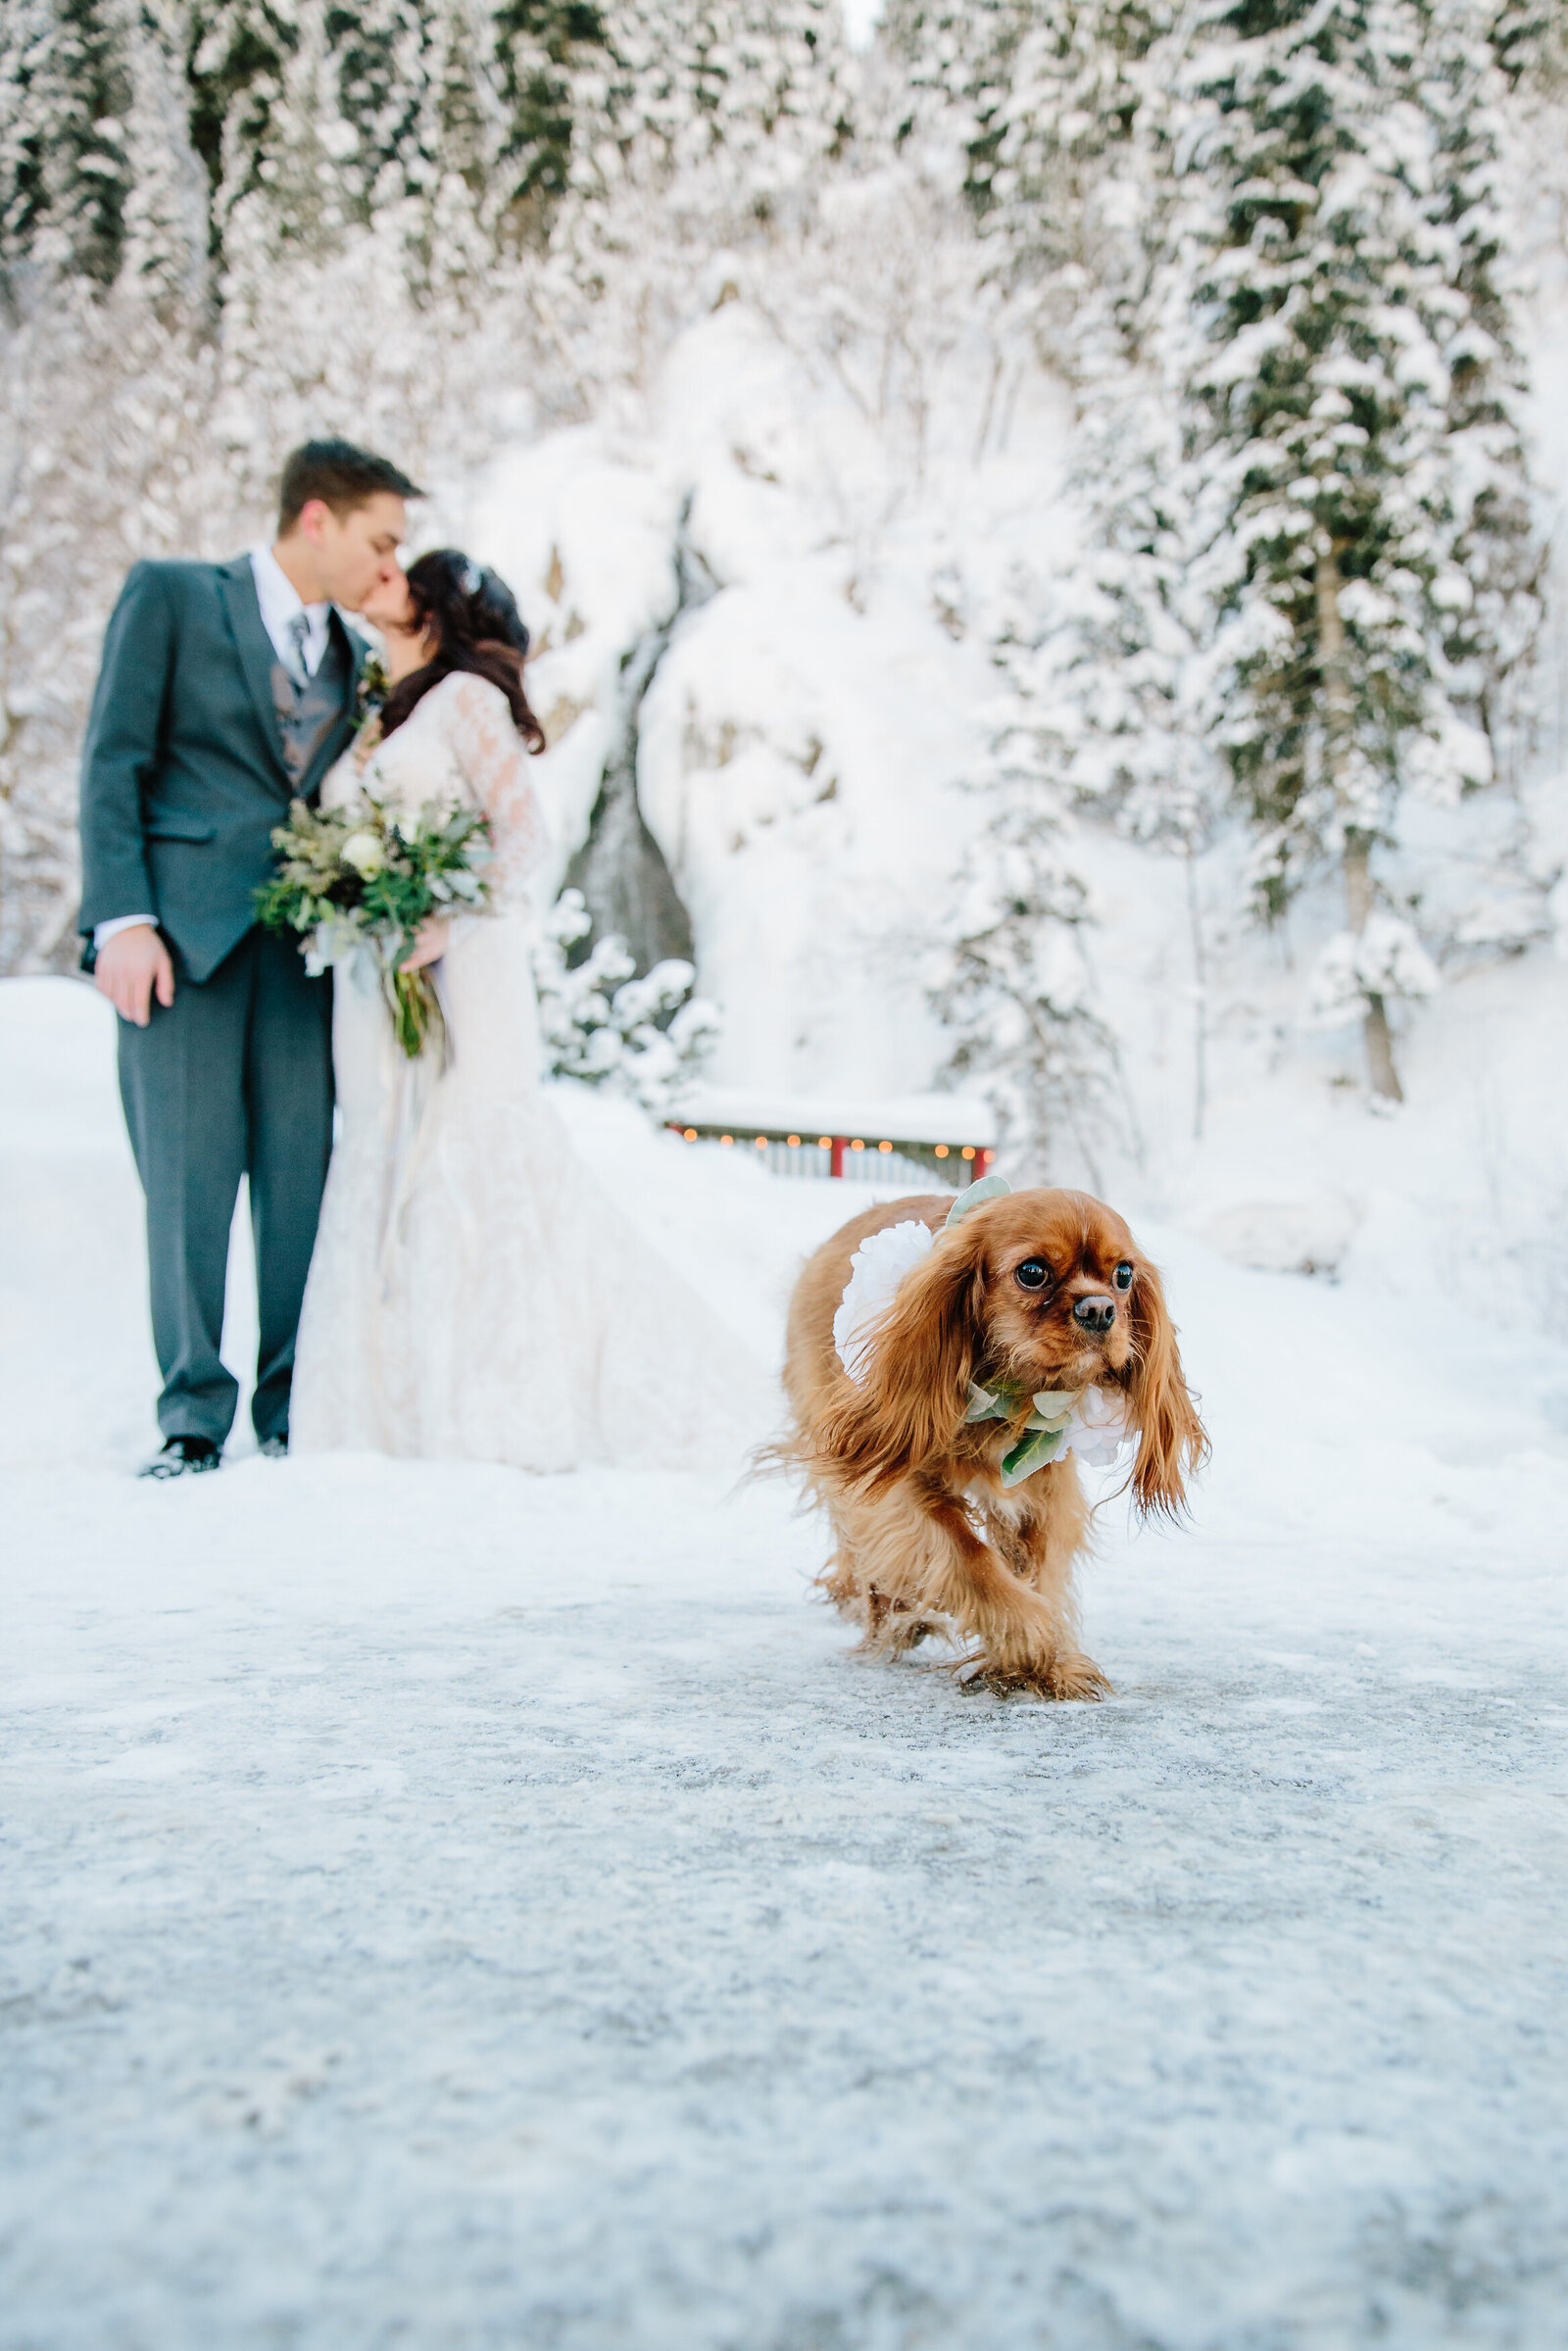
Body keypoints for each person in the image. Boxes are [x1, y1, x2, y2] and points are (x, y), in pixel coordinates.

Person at [290, 550, 763, 1470]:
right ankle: (385, 1411)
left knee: (475, 1142)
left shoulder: (464, 700)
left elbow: (524, 836)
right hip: (376, 972)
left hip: (465, 958)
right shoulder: (369, 719)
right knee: (387, 1145)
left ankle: (503, 1399)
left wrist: (442, 913)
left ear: (435, 605)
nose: (376, 581)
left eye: (397, 576)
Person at [79, 439, 422, 1476]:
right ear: (315, 518)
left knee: (299, 1181)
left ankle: (288, 1404)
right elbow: (113, 760)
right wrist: (121, 918)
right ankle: (192, 1415)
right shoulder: (174, 598)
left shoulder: (355, 661)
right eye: (379, 540)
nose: (387, 566)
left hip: (301, 956)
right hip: (178, 943)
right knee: (185, 1185)